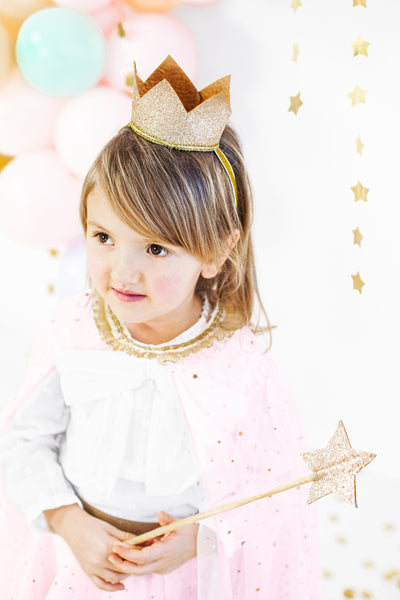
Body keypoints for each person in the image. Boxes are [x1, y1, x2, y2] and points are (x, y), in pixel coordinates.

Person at [0, 56, 320, 599]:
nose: (122, 272)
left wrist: (202, 538)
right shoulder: (73, 330)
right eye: (103, 237)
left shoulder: (238, 365)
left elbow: (273, 487)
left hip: (182, 577)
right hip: (84, 561)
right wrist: (70, 524)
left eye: (155, 248)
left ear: (218, 251)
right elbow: (25, 442)